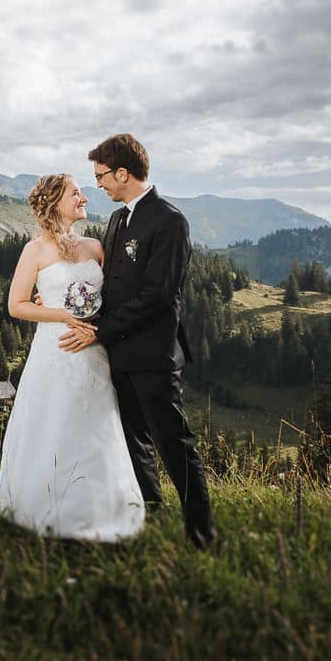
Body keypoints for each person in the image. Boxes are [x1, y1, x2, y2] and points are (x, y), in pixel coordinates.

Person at [59, 133, 217, 548]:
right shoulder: (116, 221)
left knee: (174, 444)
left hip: (153, 356)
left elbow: (157, 294)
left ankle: (201, 533)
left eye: (102, 176)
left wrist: (99, 329)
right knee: (134, 443)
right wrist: (74, 308)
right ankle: (153, 514)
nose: (99, 185)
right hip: (118, 356)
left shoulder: (169, 221)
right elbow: (110, 287)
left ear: (123, 172)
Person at [0, 174, 146, 541]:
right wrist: (61, 314)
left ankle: (100, 503)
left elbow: (117, 300)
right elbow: (16, 305)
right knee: (53, 421)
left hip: (93, 350)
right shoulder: (34, 251)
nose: (84, 197)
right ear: (56, 203)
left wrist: (96, 324)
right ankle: (45, 501)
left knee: (98, 423)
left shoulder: (96, 247)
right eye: (76, 193)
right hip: (54, 350)